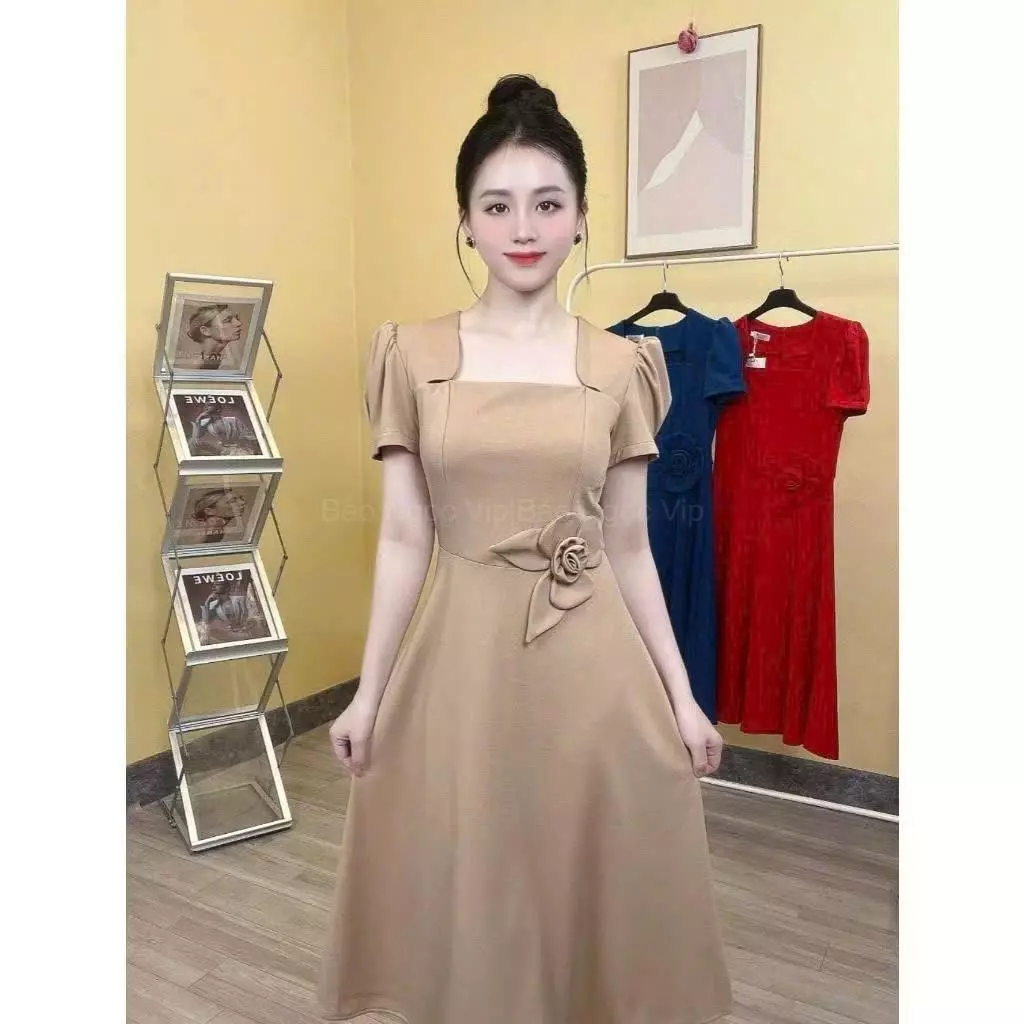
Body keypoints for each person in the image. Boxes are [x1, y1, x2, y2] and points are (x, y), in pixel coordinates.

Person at [318, 74, 732, 1024]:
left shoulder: (623, 364)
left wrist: (681, 696)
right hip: (459, 664)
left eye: (548, 203)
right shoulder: (411, 353)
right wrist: (369, 692)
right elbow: (403, 534)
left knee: (580, 879)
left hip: (591, 668)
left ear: (582, 218)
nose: (524, 227)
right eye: (496, 205)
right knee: (475, 876)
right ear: (465, 222)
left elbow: (629, 544)